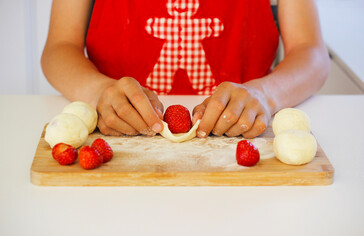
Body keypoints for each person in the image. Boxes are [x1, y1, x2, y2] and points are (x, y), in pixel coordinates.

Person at [41, 0, 330, 139]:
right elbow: (60, 47)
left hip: (244, 135)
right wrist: (98, 90)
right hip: (115, 137)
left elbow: (311, 53)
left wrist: (265, 94)